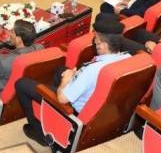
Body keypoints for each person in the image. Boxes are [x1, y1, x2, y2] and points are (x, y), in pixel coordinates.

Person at [15, 17, 129, 146]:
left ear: (103, 44)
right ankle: (52, 118)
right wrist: (75, 75)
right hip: (98, 102)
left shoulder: (92, 70)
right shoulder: (127, 58)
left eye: (96, 38)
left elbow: (62, 99)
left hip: (73, 110)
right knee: (60, 70)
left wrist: (65, 81)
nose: (94, 41)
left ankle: (39, 132)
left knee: (22, 84)